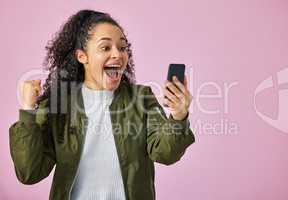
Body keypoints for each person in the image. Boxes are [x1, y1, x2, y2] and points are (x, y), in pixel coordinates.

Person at [9, 9, 195, 200]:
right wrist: (28, 111)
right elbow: (29, 173)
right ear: (82, 56)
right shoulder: (59, 106)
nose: (118, 54)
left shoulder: (142, 98)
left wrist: (179, 116)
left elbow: (166, 154)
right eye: (105, 48)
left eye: (122, 48)